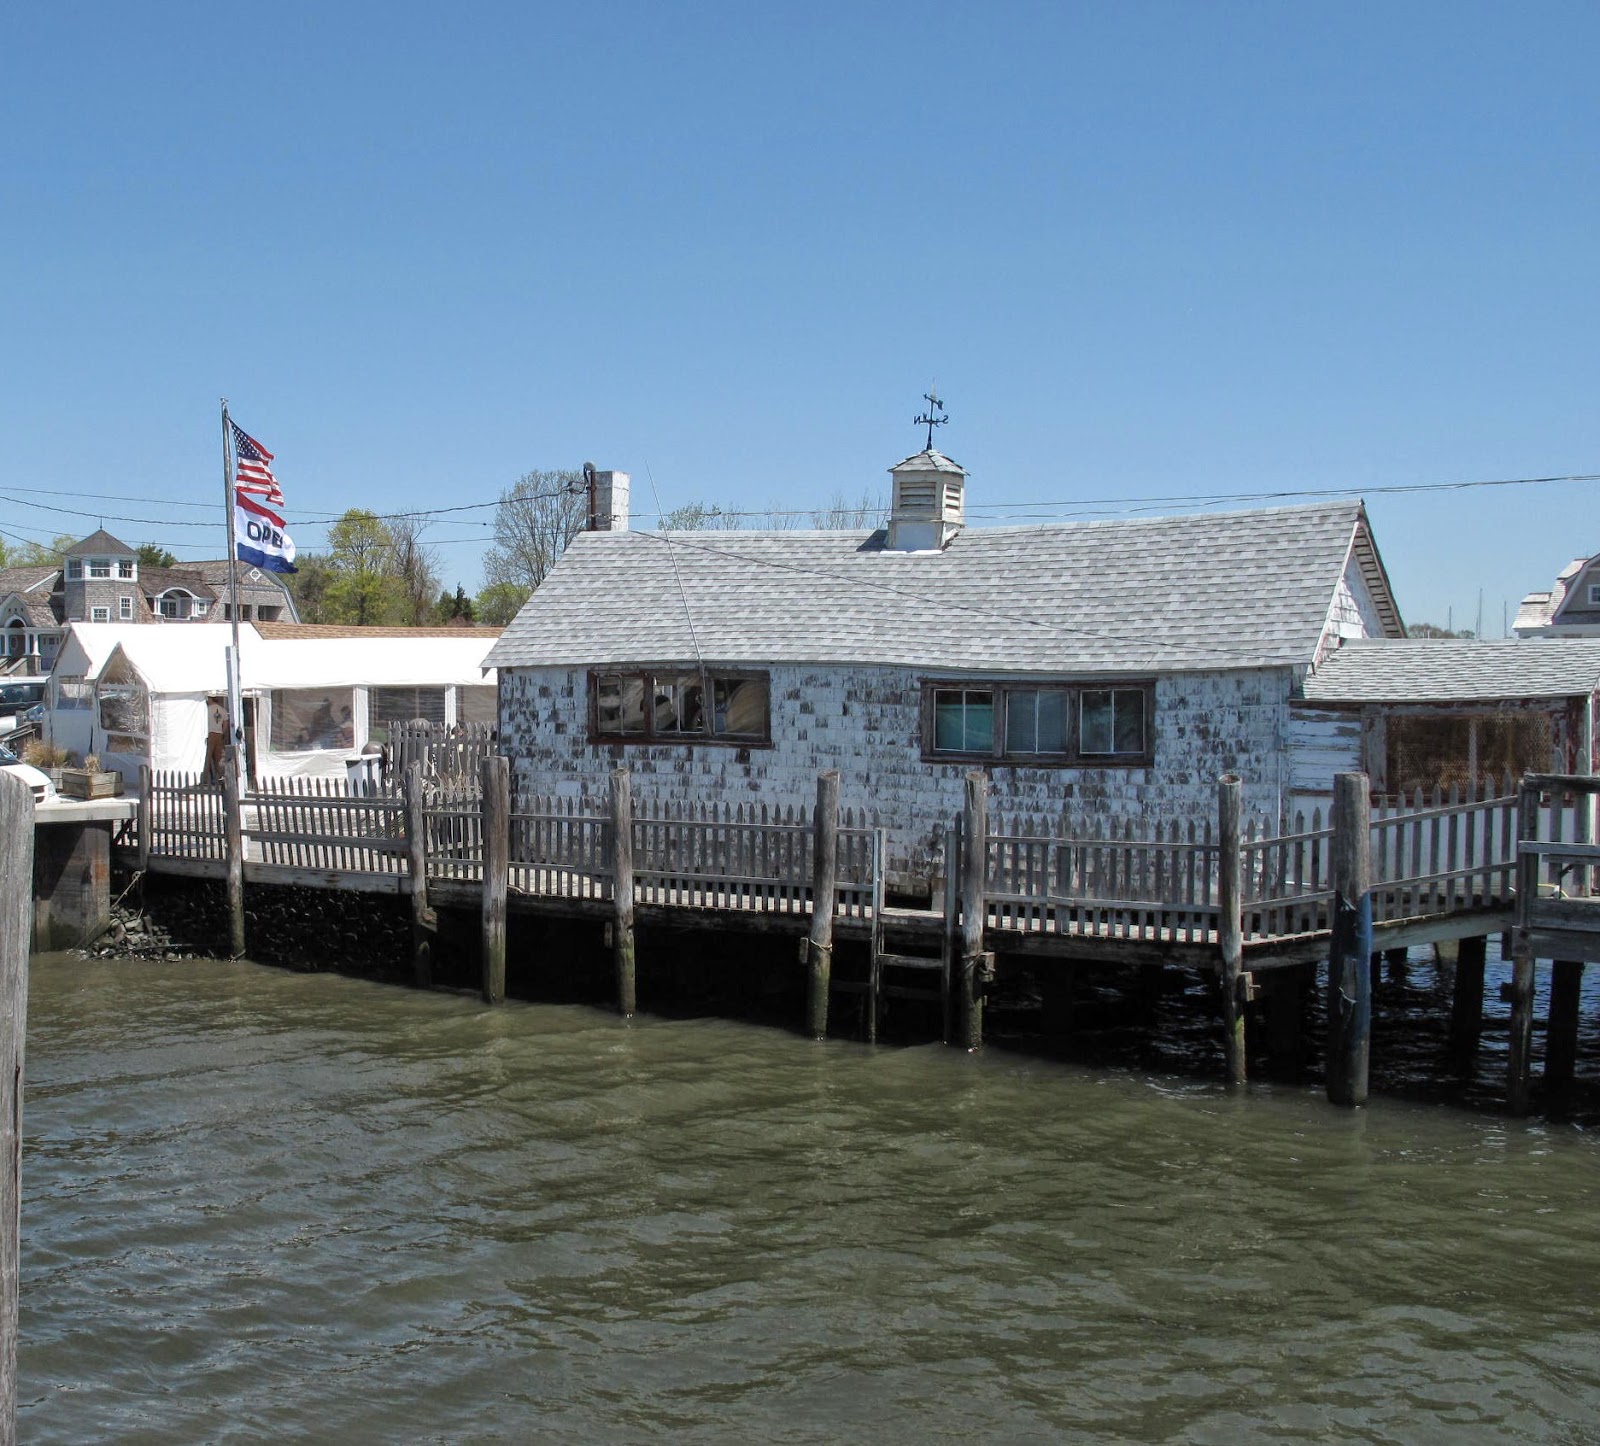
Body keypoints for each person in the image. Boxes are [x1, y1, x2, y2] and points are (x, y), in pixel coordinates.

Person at [204, 696, 226, 782]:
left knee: (207, 756)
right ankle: (219, 776)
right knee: (218, 757)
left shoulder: (206, 710)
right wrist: (222, 733)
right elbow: (225, 723)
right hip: (219, 734)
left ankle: (205, 778)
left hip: (210, 733)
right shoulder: (222, 710)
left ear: (210, 699)